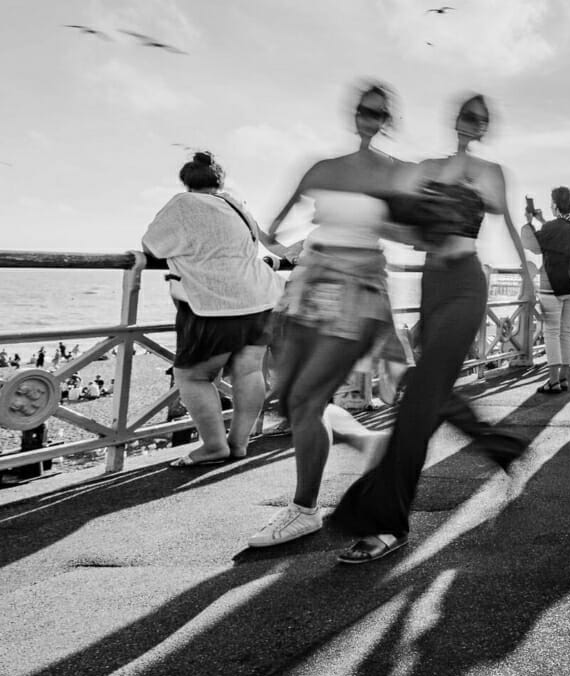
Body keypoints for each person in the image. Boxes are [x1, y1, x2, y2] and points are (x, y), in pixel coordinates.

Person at [334, 93, 536, 564]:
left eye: (479, 119)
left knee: (419, 402)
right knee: (429, 389)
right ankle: (500, 445)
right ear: (456, 120)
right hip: (431, 284)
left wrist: (526, 275)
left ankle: (385, 521)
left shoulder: (490, 172)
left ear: (484, 128)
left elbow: (504, 222)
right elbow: (394, 219)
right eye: (466, 116)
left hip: (467, 284)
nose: (471, 124)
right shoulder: (425, 167)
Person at [247, 81, 405, 548]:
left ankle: (304, 510)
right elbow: (274, 228)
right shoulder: (324, 167)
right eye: (363, 110)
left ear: (386, 121)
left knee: (305, 400)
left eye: (377, 113)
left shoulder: (393, 173)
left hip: (357, 293)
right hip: (310, 285)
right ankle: (367, 444)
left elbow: (414, 230)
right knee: (291, 397)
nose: (368, 119)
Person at [142, 150, 285, 466]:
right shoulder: (236, 204)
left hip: (214, 302)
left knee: (193, 376)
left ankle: (213, 446)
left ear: (186, 181)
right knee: (248, 369)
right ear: (219, 180)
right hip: (260, 296)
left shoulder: (183, 204)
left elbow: (152, 245)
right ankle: (239, 442)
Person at [521, 186, 570, 393]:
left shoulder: (552, 228)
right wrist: (543, 221)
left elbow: (532, 245)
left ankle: (552, 380)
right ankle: (564, 378)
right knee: (565, 331)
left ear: (555, 204)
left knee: (551, 332)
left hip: (552, 285)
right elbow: (559, 233)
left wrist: (530, 221)